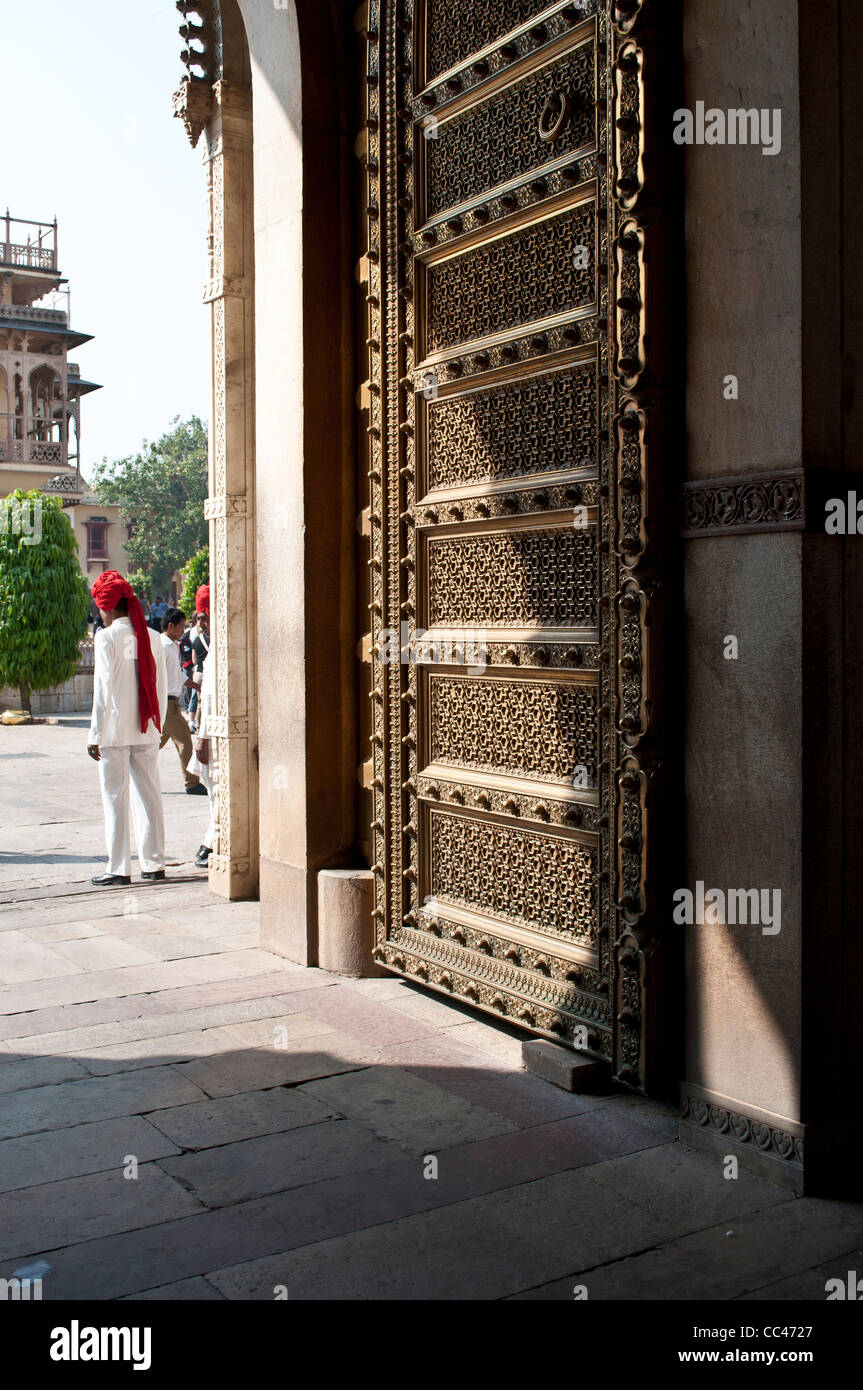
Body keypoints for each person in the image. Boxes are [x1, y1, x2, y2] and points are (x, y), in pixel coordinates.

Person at [87, 571, 168, 886]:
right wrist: (156, 726)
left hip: (115, 731)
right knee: (150, 796)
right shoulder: (153, 636)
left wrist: (95, 734)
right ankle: (154, 863)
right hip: (146, 728)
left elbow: (102, 690)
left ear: (107, 607)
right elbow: (160, 687)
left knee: (115, 798)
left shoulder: (106, 637)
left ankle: (119, 867)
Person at [159, 608, 205, 795]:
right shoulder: (162, 646)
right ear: (171, 626)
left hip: (171, 701)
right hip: (166, 701)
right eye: (180, 626)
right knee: (185, 739)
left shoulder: (171, 644)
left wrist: (196, 686)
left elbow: (177, 675)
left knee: (155, 742)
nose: (183, 629)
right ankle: (191, 782)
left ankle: (131, 770)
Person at [187, 638, 218, 869]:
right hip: (211, 726)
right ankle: (212, 837)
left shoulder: (219, 648)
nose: (202, 624)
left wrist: (203, 736)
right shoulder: (210, 645)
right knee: (212, 788)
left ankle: (214, 840)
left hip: (215, 729)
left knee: (217, 788)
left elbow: (208, 697)